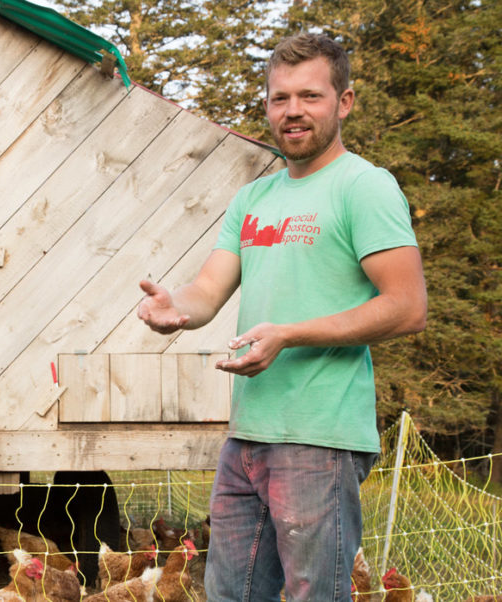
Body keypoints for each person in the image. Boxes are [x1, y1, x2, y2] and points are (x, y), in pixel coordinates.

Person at [137, 33, 427, 600]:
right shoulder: (254, 198)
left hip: (319, 436)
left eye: (310, 96)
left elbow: (407, 306)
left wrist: (290, 335)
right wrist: (175, 308)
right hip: (246, 436)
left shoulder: (364, 187)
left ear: (344, 102)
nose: (292, 111)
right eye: (279, 98)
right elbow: (207, 291)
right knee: (229, 594)